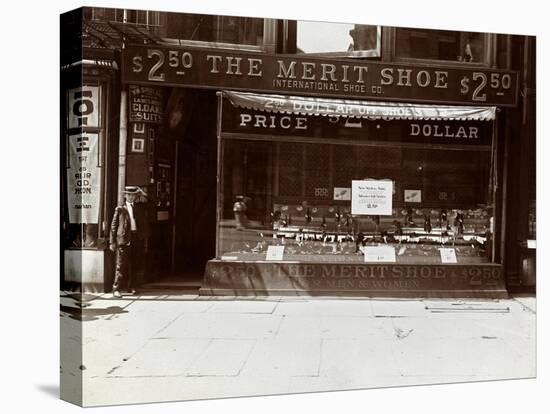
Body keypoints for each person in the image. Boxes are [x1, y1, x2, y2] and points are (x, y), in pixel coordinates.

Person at [109, 186, 145, 298]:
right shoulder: (120, 209)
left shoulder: (138, 208)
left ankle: (131, 287)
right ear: (125, 195)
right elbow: (113, 226)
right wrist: (112, 242)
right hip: (124, 239)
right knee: (121, 265)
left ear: (135, 196)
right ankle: (116, 288)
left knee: (133, 264)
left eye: (133, 195)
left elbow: (152, 202)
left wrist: (142, 192)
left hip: (135, 238)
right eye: (128, 194)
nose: (131, 197)